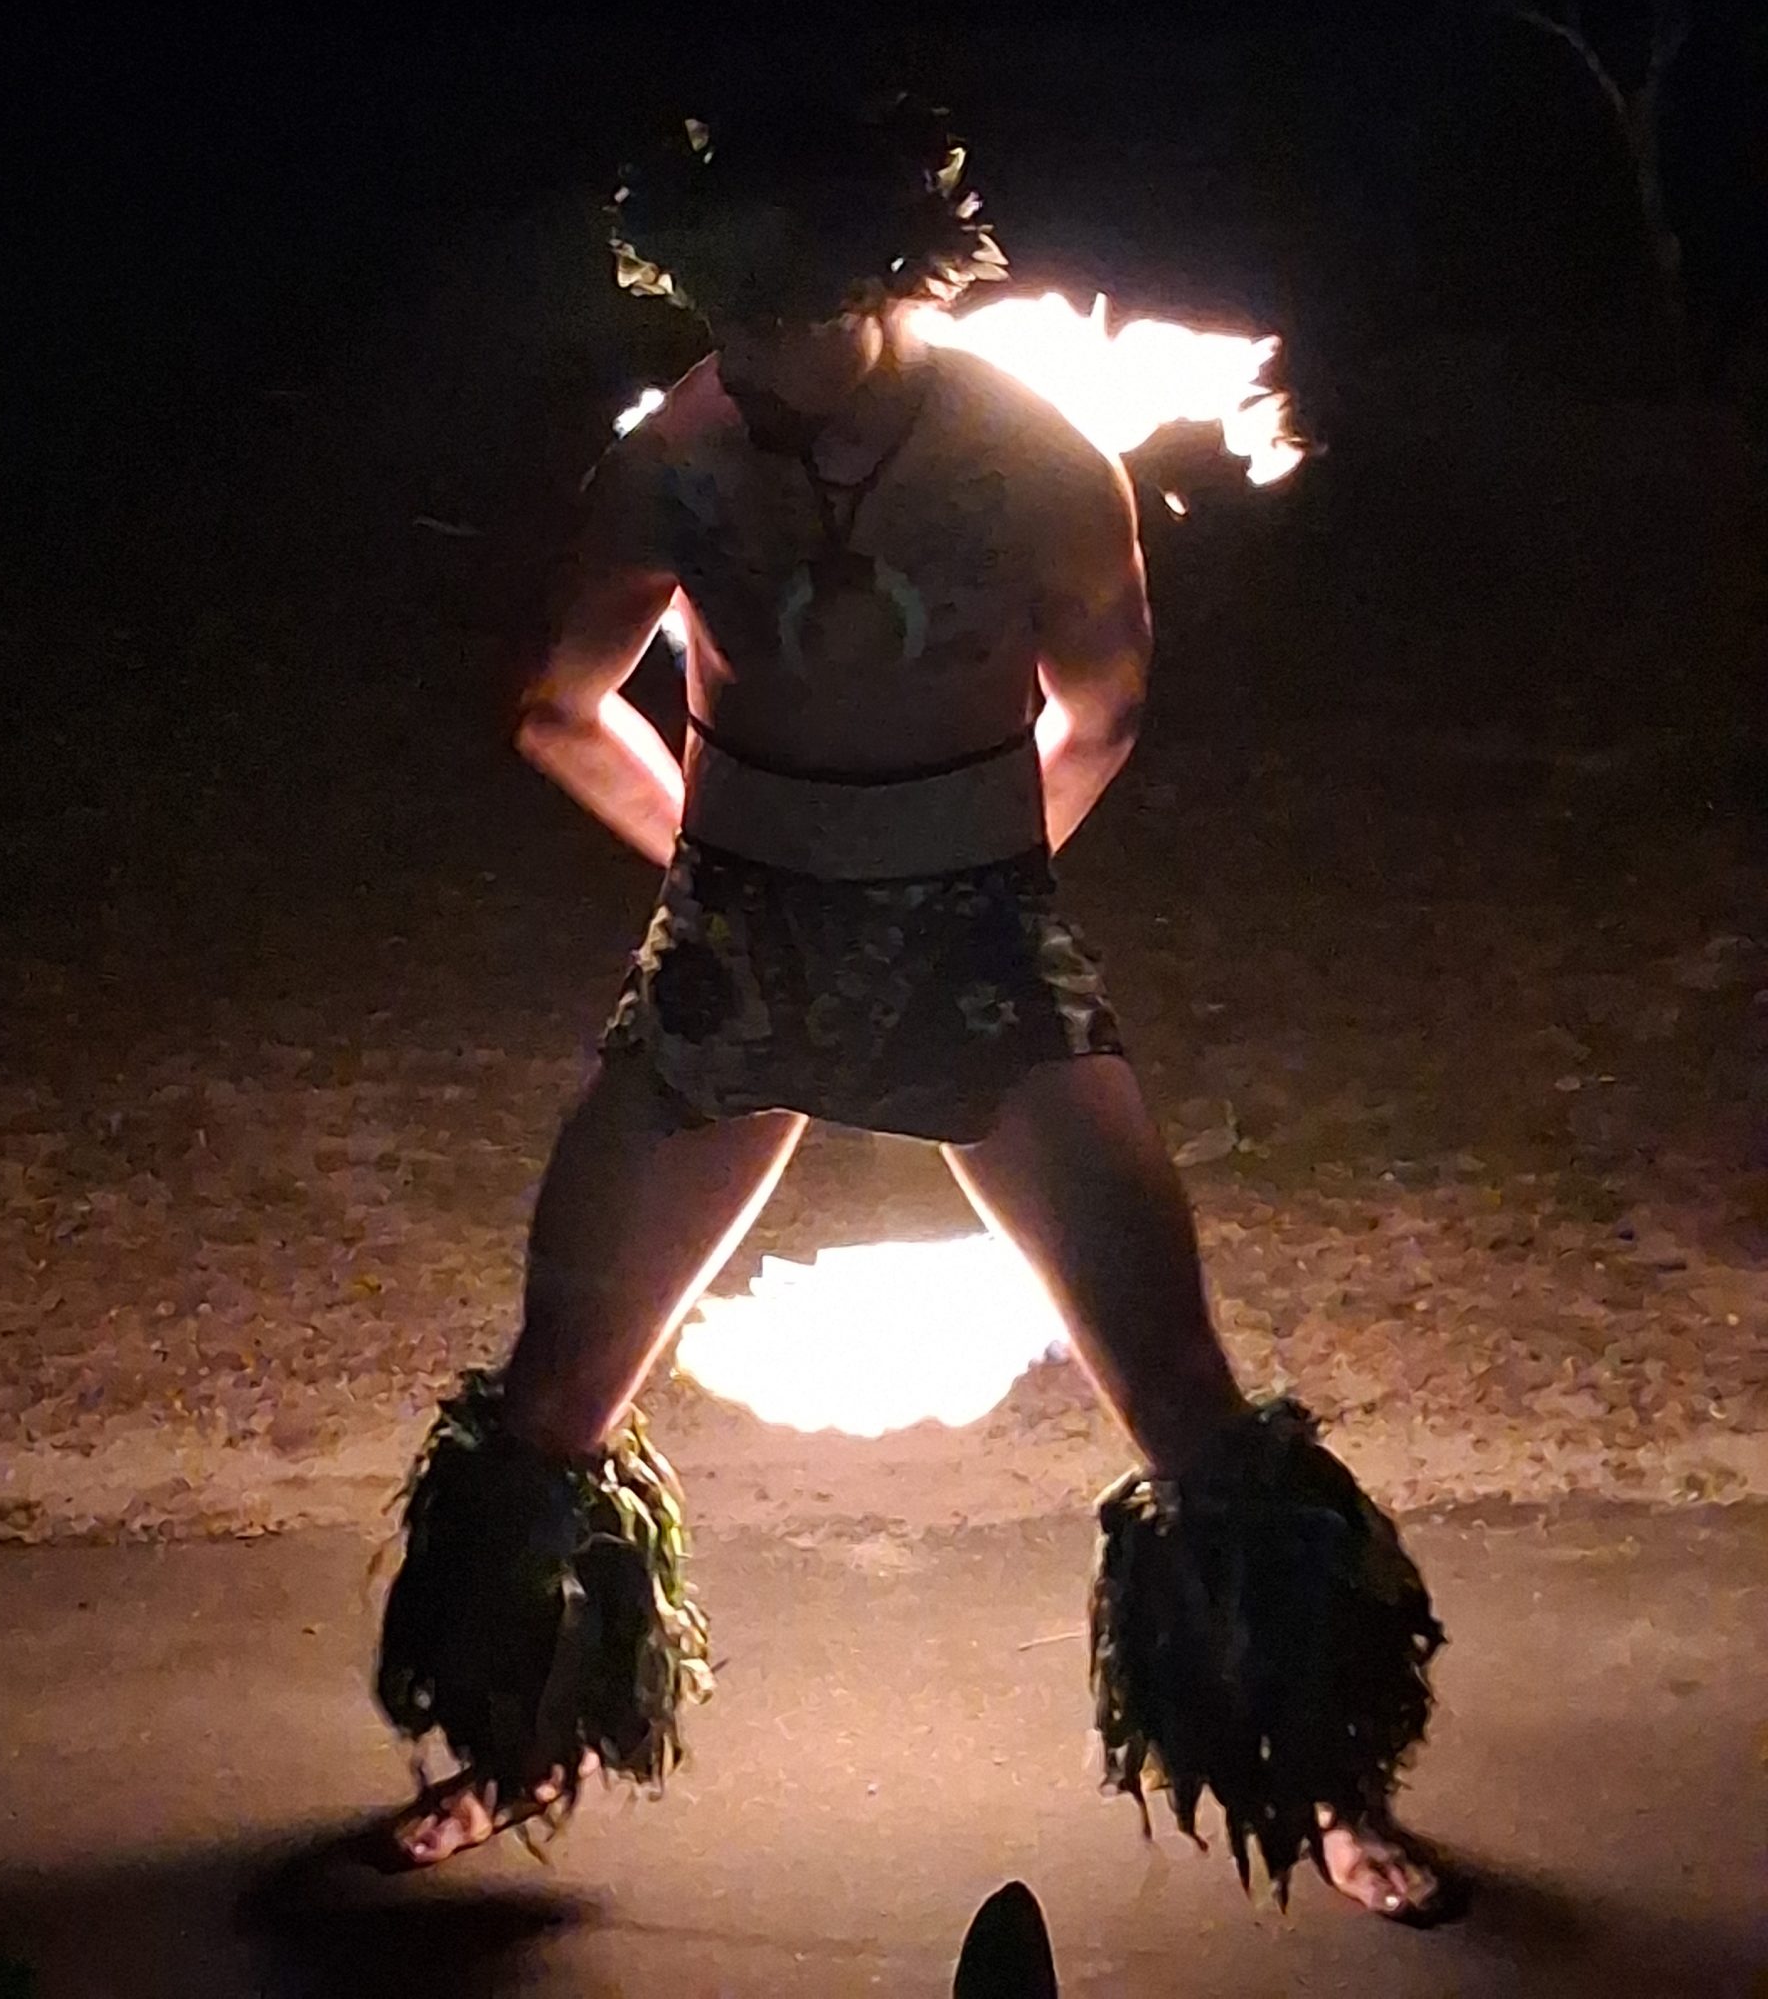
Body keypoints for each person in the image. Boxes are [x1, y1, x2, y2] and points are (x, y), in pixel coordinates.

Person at [375, 103, 1452, 1922]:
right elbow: (557, 704)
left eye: (772, 314)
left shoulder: (1035, 462)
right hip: (740, 954)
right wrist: (725, 870)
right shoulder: (674, 465)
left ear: (877, 288)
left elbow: (1102, 711)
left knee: (1183, 1395)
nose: (739, 349)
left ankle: (1328, 1788)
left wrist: (967, 878)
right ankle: (511, 1745)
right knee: (552, 1393)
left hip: (977, 952)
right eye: (718, 312)